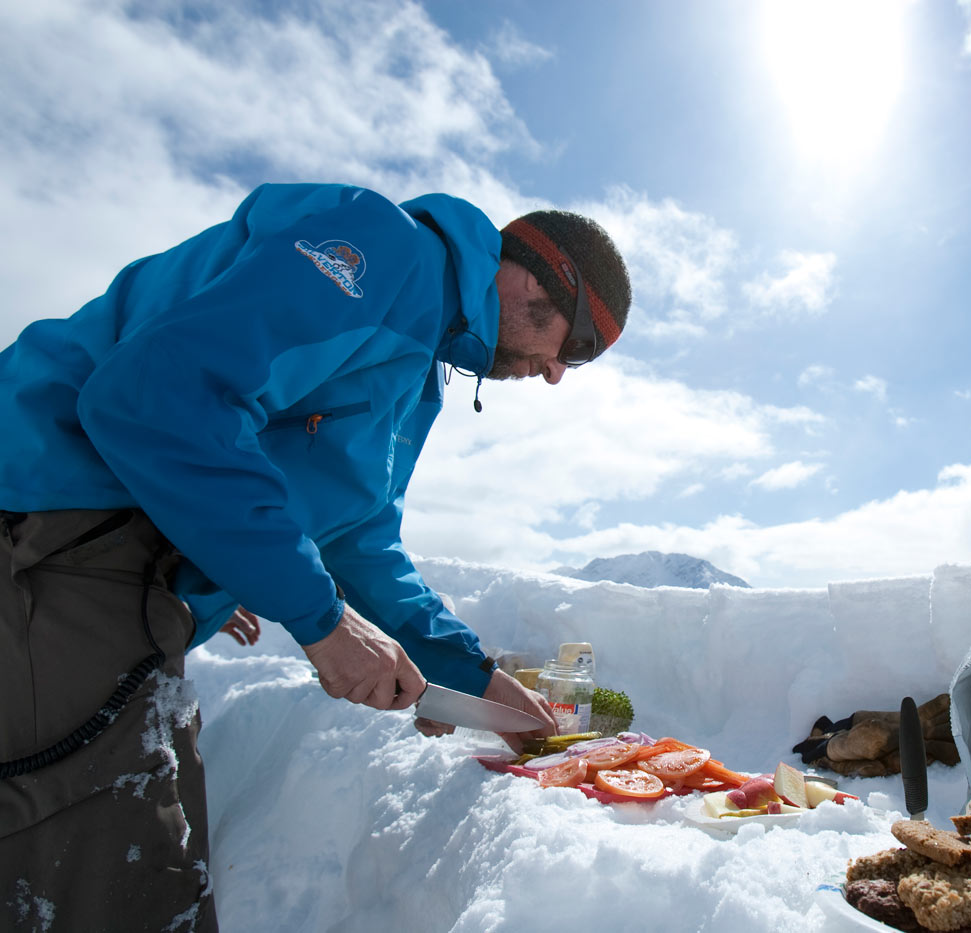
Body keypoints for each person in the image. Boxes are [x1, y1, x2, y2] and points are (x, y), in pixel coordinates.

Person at [0, 183, 632, 932]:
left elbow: (357, 539)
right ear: (536, 278)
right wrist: (321, 620)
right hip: (51, 528)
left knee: (145, 878)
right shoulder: (384, 250)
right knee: (114, 890)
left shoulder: (417, 368)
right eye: (579, 346)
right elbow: (154, 396)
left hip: (123, 578)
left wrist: (477, 680)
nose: (560, 373)